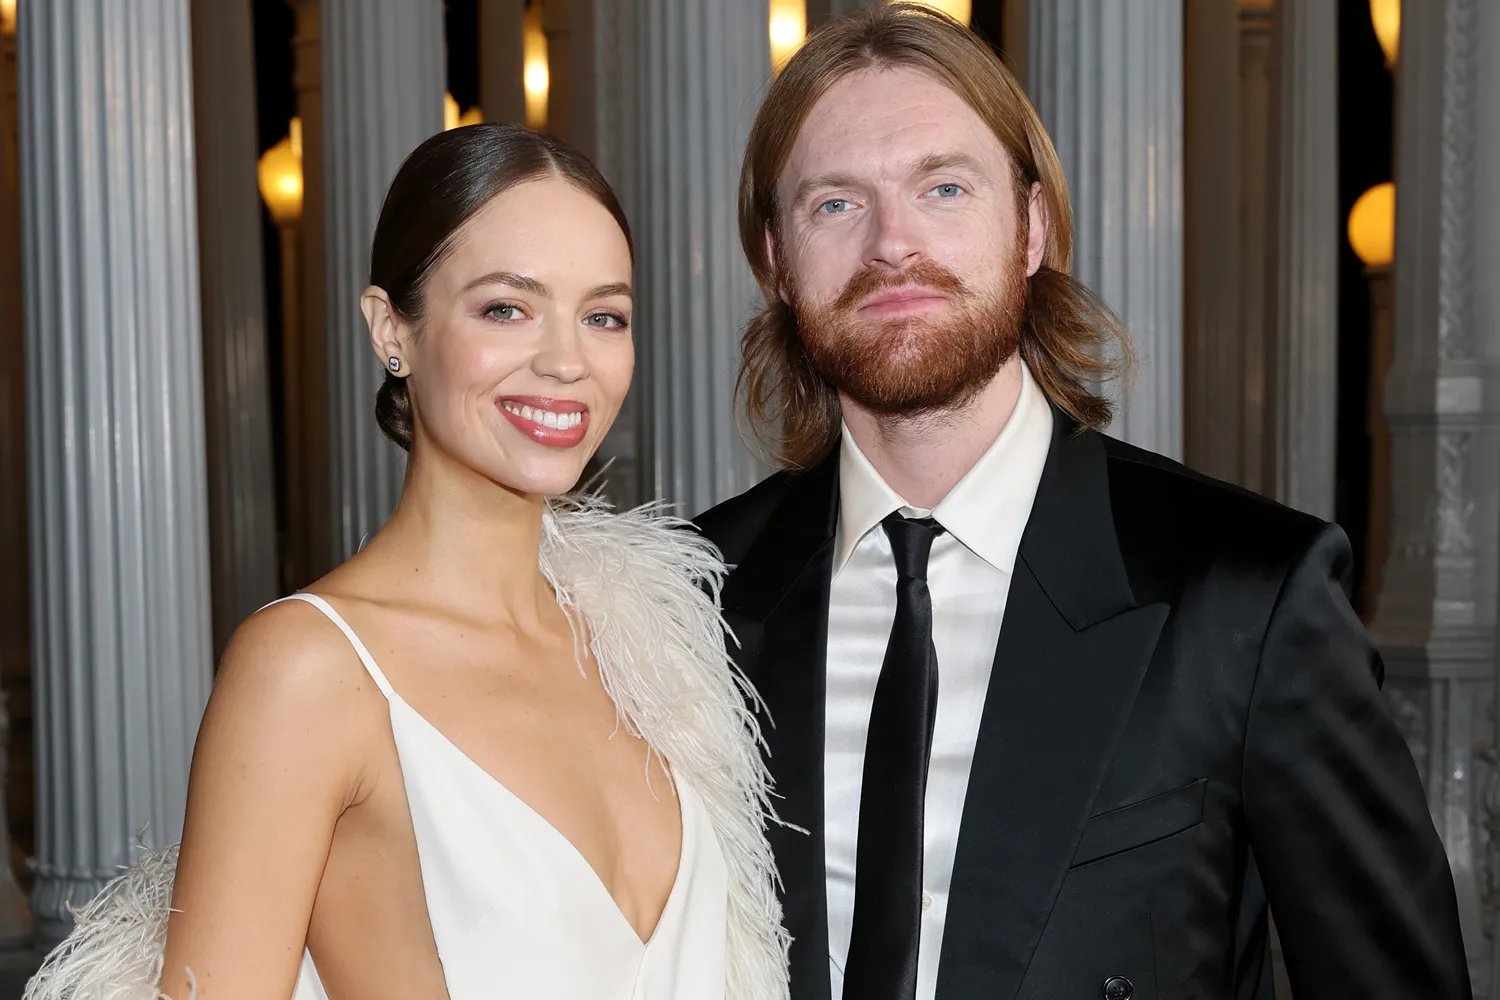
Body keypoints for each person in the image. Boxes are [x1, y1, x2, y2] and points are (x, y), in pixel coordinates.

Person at [695, 5, 1470, 999]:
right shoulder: (700, 599)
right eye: (835, 204)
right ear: (774, 258)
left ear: (1031, 228)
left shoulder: (1246, 594)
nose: (893, 243)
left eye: (943, 187)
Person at [27, 124, 788, 1000]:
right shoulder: (307, 672)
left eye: (603, 316)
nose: (566, 360)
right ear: (393, 329)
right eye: (507, 307)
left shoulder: (653, 655)